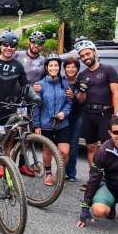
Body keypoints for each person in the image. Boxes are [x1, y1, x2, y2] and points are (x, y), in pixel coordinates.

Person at [73, 39, 118, 172]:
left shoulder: (107, 69)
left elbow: (116, 93)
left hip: (105, 114)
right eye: (82, 56)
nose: (85, 58)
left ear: (94, 52)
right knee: (91, 147)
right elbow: (80, 100)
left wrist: (117, 115)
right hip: (88, 114)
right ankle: (95, 177)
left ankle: (109, 177)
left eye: (87, 54)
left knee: (108, 147)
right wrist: (82, 91)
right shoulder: (82, 75)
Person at [32, 54, 71, 188]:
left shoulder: (65, 83)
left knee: (64, 151)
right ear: (47, 67)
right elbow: (37, 106)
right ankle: (48, 173)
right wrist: (36, 124)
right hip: (46, 123)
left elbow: (69, 102)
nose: (53, 68)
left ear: (59, 67)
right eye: (51, 65)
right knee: (47, 150)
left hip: (62, 123)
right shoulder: (40, 85)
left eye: (56, 65)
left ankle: (59, 172)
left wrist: (64, 113)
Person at [0, 32, 28, 126]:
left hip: (9, 110)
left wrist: (35, 98)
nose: (9, 48)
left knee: (8, 138)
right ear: (0, 46)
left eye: (12, 46)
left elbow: (25, 86)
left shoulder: (18, 66)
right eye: (5, 45)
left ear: (15, 48)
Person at [62, 56, 82, 182]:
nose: (70, 69)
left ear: (77, 69)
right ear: (64, 69)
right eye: (68, 66)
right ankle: (61, 171)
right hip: (62, 117)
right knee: (62, 146)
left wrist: (74, 95)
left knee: (74, 145)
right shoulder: (60, 81)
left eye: (73, 67)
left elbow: (82, 100)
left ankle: (71, 173)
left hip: (76, 116)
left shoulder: (81, 83)